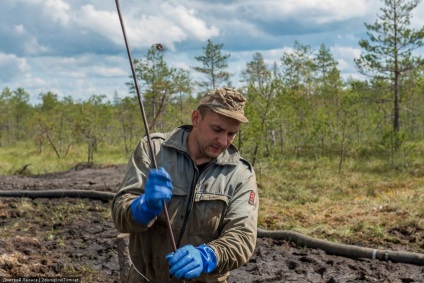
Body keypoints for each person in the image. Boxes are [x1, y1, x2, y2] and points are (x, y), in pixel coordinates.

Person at [112, 87, 259, 283]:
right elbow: (121, 216)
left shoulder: (240, 174)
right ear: (196, 118)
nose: (223, 141)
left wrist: (208, 255)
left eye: (231, 133)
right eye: (217, 129)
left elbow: (243, 237)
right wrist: (144, 207)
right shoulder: (154, 150)